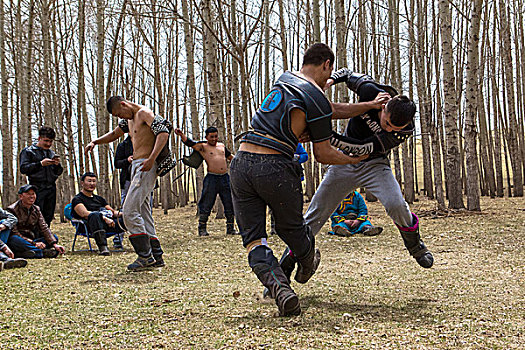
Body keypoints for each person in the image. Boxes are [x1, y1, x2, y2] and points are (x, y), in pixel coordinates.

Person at [230, 43, 368, 316]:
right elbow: (323, 153)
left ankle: (280, 288)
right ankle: (307, 262)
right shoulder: (315, 97)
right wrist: (354, 159)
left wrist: (363, 106)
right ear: (327, 64)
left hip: (241, 163)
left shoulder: (284, 77)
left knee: (255, 241)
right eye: (328, 75)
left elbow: (322, 109)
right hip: (274, 166)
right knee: (291, 229)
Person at [298, 68, 434, 268]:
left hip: (375, 165)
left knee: (396, 204)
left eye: (392, 129)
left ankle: (415, 246)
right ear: (384, 105)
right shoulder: (371, 91)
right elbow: (346, 73)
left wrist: (321, 133)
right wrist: (330, 81)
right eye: (386, 122)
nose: (387, 128)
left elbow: (362, 148)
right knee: (315, 214)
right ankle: (288, 264)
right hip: (344, 163)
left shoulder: (403, 131)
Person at [85, 97, 172, 270]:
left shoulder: (144, 113)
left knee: (129, 211)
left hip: (145, 165)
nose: (120, 117)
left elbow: (163, 133)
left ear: (124, 104)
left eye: (119, 113)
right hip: (137, 166)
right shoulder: (129, 120)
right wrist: (95, 142)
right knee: (143, 211)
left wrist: (152, 159)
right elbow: (114, 134)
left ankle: (145, 256)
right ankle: (156, 255)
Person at [175, 126, 236, 236]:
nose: (214, 139)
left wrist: (241, 160)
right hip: (212, 178)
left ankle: (231, 228)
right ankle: (202, 228)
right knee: (207, 202)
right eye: (211, 137)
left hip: (224, 178)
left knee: (229, 202)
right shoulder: (203, 146)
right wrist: (181, 134)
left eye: (216, 136)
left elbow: (230, 157)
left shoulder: (222, 146)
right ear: (206, 137)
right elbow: (190, 143)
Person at [71, 172, 126, 255]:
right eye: (89, 181)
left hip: (108, 225)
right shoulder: (77, 199)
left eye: (94, 181)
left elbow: (113, 212)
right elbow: (84, 214)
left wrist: (127, 214)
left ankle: (144, 245)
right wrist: (104, 218)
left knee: (128, 217)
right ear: (82, 183)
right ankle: (103, 247)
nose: (92, 184)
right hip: (87, 226)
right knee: (95, 215)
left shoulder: (99, 199)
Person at [19, 126, 63, 227]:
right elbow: (24, 168)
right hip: (36, 187)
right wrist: (40, 164)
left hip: (51, 188)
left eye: (51, 141)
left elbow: (58, 172)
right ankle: (35, 240)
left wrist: (57, 165)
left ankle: (46, 239)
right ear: (39, 138)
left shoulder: (51, 153)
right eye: (46, 141)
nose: (48, 144)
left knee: (48, 216)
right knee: (36, 215)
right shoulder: (28, 151)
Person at [7, 184, 65, 259]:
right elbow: (15, 232)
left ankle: (26, 253)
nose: (31, 196)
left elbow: (44, 227)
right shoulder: (12, 210)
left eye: (33, 194)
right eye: (28, 194)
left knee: (54, 238)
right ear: (21, 196)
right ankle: (42, 253)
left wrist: (54, 244)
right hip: (20, 240)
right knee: (14, 240)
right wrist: (34, 244)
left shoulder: (36, 209)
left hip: (32, 239)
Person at [269, 143, 308, 235]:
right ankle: (274, 227)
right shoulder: (273, 143)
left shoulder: (295, 144)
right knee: (274, 203)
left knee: (295, 202)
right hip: (276, 177)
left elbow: (305, 156)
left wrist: (297, 158)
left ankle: (295, 226)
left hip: (294, 177)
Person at [114, 136, 133, 204]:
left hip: (145, 177)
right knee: (126, 199)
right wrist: (127, 160)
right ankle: (124, 214)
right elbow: (117, 164)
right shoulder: (123, 145)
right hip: (127, 179)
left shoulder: (147, 142)